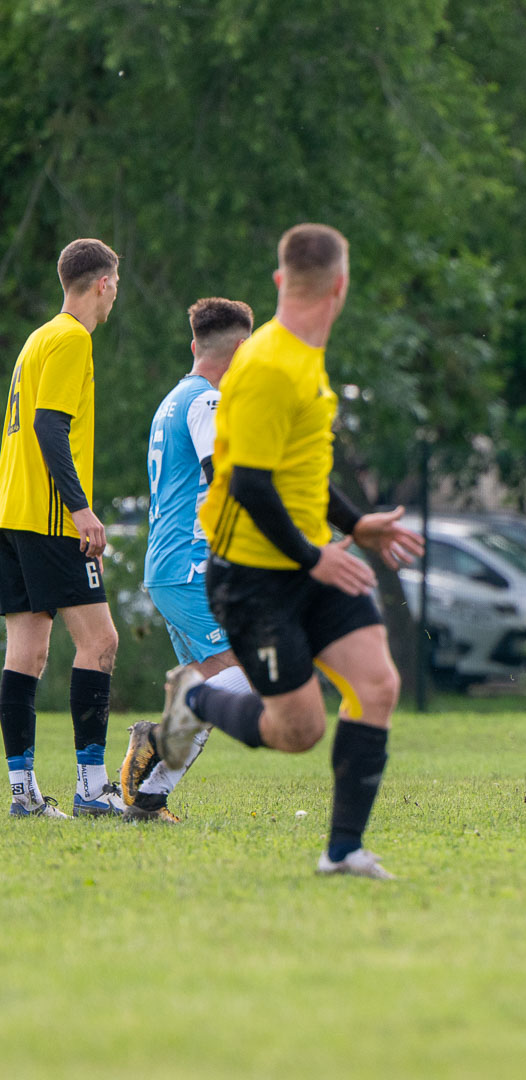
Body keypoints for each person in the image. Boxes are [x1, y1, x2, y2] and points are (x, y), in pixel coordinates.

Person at [154, 223, 423, 878]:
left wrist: (355, 524)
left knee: (377, 685)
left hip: (306, 561)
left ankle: (343, 851)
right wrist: (314, 556)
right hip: (253, 576)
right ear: (341, 286)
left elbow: (298, 471)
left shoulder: (302, 355)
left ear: (280, 281)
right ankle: (194, 698)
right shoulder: (269, 364)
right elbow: (248, 483)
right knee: (298, 731)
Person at [119, 298, 259, 824]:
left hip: (170, 566)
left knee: (205, 685)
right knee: (249, 674)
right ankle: (157, 740)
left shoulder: (173, 400)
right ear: (241, 349)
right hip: (192, 567)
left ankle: (149, 801)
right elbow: (223, 477)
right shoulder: (208, 402)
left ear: (195, 344)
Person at [0, 238, 126, 819]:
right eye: (115, 284)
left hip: (12, 514)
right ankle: (93, 788)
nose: (115, 294)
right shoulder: (74, 338)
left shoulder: (37, 338)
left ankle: (22, 793)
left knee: (25, 653)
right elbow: (50, 427)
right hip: (50, 518)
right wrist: (80, 510)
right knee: (101, 643)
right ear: (102, 283)